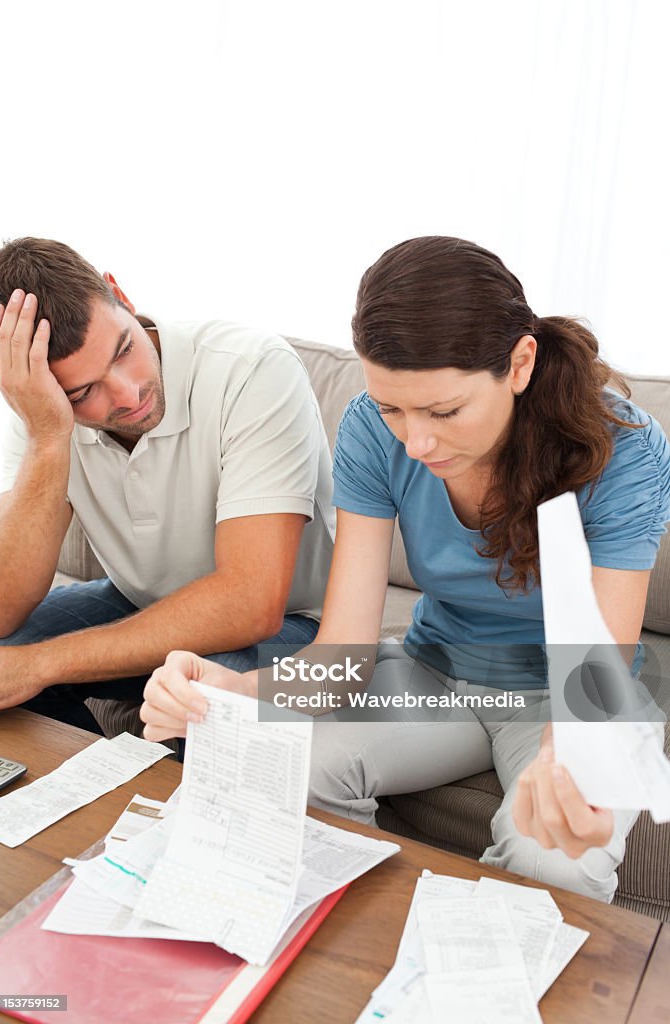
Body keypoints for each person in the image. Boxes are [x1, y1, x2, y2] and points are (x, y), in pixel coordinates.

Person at [139, 236, 670, 901]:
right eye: (394, 408)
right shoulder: (369, 429)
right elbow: (344, 653)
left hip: (562, 696)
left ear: (521, 363)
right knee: (288, 771)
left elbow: (597, 667)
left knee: (556, 860)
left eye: (444, 411)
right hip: (432, 672)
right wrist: (229, 691)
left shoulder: (624, 448)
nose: (416, 442)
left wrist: (567, 756)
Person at [0, 237, 334, 733]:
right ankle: (76, 795)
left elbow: (252, 606)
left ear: (120, 295)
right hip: (141, 606)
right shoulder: (43, 411)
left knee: (207, 707)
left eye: (124, 350)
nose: (128, 395)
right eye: (83, 392)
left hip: (293, 628)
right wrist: (48, 436)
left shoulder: (251, 368)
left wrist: (41, 665)